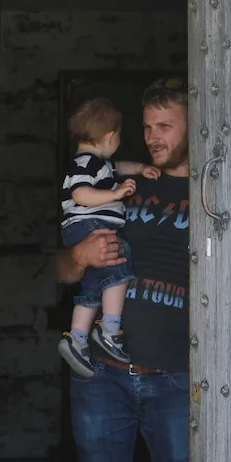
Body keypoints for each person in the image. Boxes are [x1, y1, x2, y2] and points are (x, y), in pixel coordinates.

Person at [56, 78, 191, 462]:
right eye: (148, 127)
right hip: (102, 375)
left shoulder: (213, 191)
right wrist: (80, 255)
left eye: (165, 127)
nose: (153, 138)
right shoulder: (117, 184)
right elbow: (61, 270)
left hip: (176, 378)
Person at [58, 97, 161, 379]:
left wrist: (140, 168)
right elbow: (80, 194)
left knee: (94, 282)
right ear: (110, 136)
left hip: (88, 226)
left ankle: (77, 338)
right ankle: (110, 328)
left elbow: (119, 167)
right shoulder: (85, 163)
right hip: (90, 225)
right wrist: (115, 195)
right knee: (119, 260)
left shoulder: (99, 164)